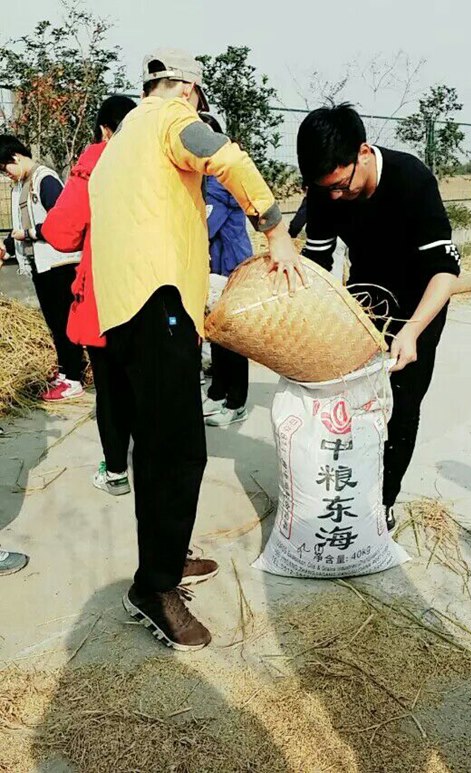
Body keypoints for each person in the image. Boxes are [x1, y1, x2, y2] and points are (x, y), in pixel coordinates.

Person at [89, 49, 304, 651]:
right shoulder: (167, 119)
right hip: (160, 305)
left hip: (125, 310)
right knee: (178, 450)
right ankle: (154, 588)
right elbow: (226, 156)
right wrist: (276, 231)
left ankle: (167, 556)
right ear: (187, 89)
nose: (200, 111)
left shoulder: (119, 144)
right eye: (201, 100)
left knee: (156, 442)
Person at [296, 104, 460, 532]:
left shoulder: (412, 179)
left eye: (341, 185)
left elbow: (445, 271)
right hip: (364, 301)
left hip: (418, 306)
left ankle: (383, 500)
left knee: (402, 405)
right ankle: (346, 488)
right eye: (324, 189)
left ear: (363, 153)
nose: (334, 196)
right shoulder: (325, 188)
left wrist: (413, 331)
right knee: (348, 401)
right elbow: (316, 261)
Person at [40, 95, 137, 496]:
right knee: (151, 385)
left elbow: (61, 233)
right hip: (163, 295)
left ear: (104, 129)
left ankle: (116, 471)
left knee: (112, 389)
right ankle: (155, 468)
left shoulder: (98, 159)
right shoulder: (168, 160)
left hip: (108, 296)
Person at [0, 137, 84, 401]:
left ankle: (73, 378)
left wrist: (29, 234)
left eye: (5, 168)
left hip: (58, 263)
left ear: (16, 157)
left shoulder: (44, 180)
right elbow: (20, 225)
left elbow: (62, 222)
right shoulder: (22, 185)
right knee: (54, 323)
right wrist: (7, 246)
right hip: (41, 264)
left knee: (63, 322)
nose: (6, 174)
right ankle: (65, 371)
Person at [198, 112, 253, 427]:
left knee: (232, 337)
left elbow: (206, 227)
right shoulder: (207, 178)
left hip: (230, 267)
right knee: (215, 333)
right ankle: (218, 392)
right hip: (215, 267)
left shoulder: (220, 179)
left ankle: (237, 401)